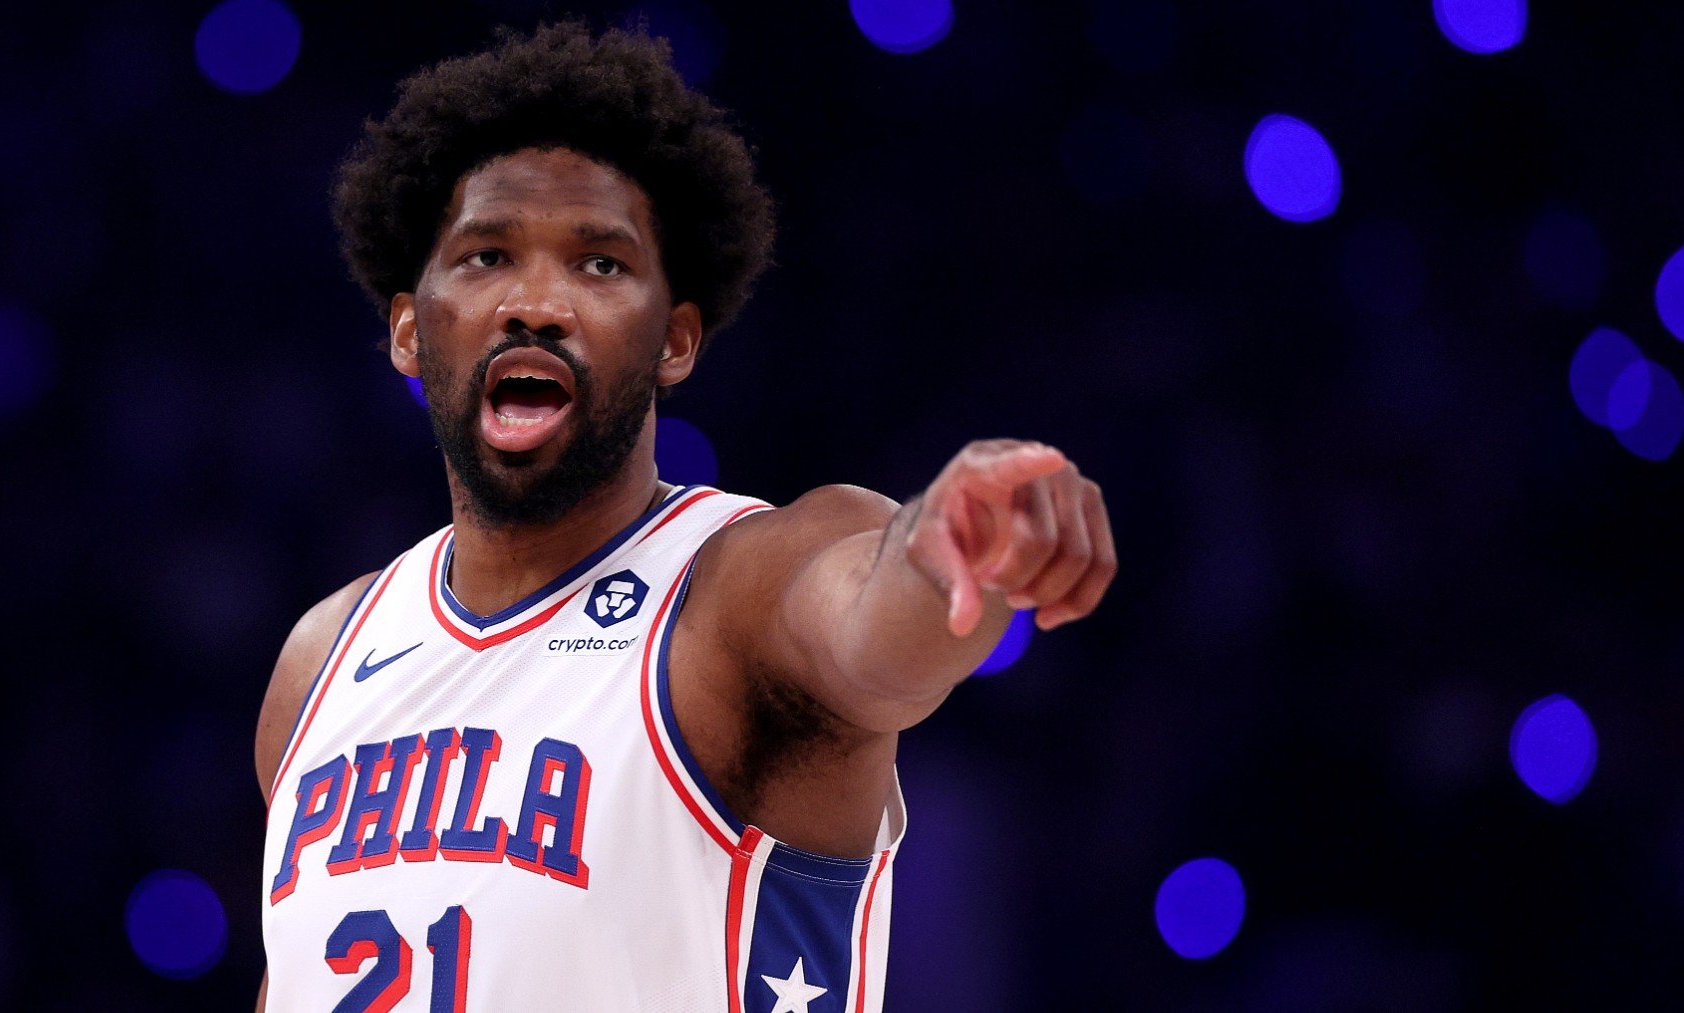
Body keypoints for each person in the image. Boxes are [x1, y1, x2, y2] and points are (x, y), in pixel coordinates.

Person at [254, 20, 1117, 1012]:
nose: (536, 302)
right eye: (487, 256)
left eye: (599, 265)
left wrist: (944, 547)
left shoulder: (737, 589)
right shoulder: (320, 663)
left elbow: (870, 628)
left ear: (675, 340)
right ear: (411, 330)